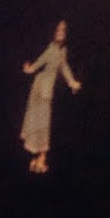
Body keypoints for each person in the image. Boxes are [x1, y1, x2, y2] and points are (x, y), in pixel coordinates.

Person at [20, 20, 82, 175]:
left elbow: (64, 67)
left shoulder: (62, 50)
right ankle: (39, 157)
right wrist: (31, 68)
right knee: (40, 119)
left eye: (63, 30)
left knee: (42, 120)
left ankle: (38, 158)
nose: (60, 32)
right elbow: (42, 60)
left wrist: (72, 82)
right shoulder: (52, 48)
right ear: (54, 32)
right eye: (58, 29)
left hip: (46, 88)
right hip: (41, 87)